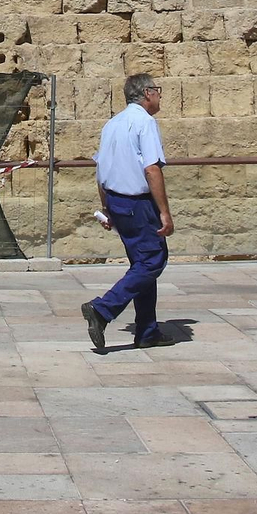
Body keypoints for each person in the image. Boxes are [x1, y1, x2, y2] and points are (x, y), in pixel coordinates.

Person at [82, 73, 175, 351]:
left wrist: (106, 206)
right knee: (153, 261)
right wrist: (164, 212)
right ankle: (102, 309)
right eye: (157, 90)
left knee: (141, 263)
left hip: (116, 201)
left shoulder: (112, 124)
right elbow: (151, 169)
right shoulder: (144, 122)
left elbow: (101, 169)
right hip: (137, 204)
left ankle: (147, 331)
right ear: (147, 93)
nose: (159, 96)